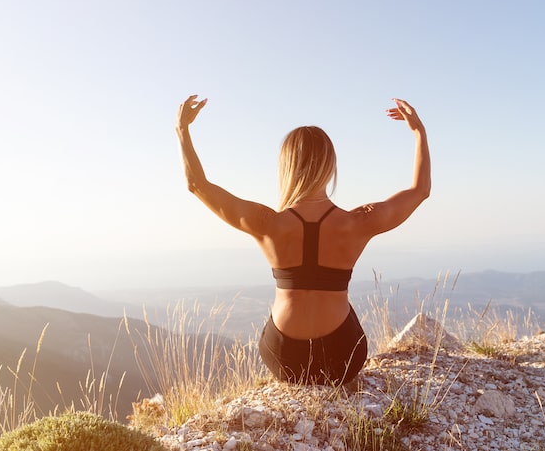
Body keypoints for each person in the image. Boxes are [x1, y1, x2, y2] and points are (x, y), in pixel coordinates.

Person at [175, 95, 430, 385]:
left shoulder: (267, 224)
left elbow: (196, 184)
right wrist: (418, 131)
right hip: (342, 358)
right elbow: (420, 190)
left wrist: (182, 130)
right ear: (329, 167)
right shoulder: (357, 223)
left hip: (284, 358)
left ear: (287, 167)